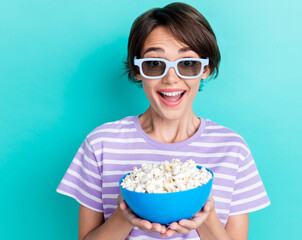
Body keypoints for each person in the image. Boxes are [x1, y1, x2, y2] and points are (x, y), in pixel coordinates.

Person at [57, 2, 270, 240]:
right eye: (154, 63)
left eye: (188, 64)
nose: (171, 79)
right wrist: (124, 215)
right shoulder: (101, 144)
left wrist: (206, 218)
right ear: (137, 70)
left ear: (205, 68)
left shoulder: (232, 150)